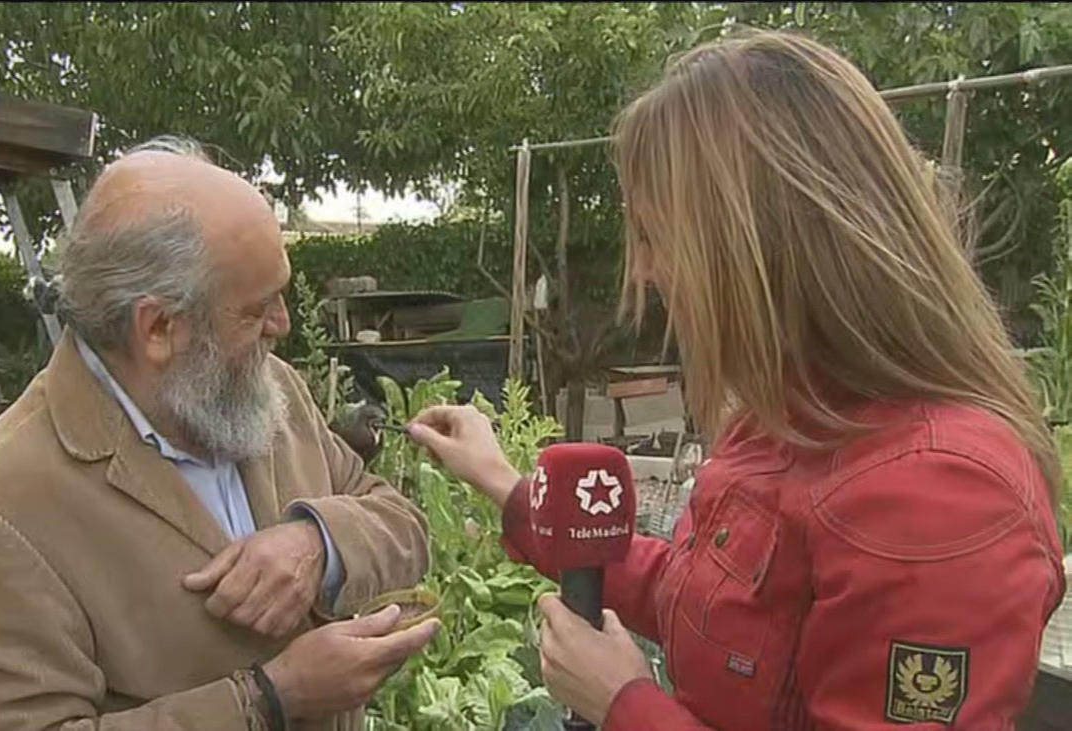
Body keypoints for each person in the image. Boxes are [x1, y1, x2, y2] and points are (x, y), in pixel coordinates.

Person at [408, 30, 1067, 731]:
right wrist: (505, 484)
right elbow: (697, 599)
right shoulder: (794, 416)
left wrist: (624, 703)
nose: (643, 273)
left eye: (655, 236)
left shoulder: (937, 496)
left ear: (754, 240)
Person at [0, 136, 437, 731]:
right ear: (159, 327)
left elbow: (399, 522)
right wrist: (271, 697)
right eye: (256, 308)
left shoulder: (271, 391)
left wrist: (315, 542)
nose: (283, 324)